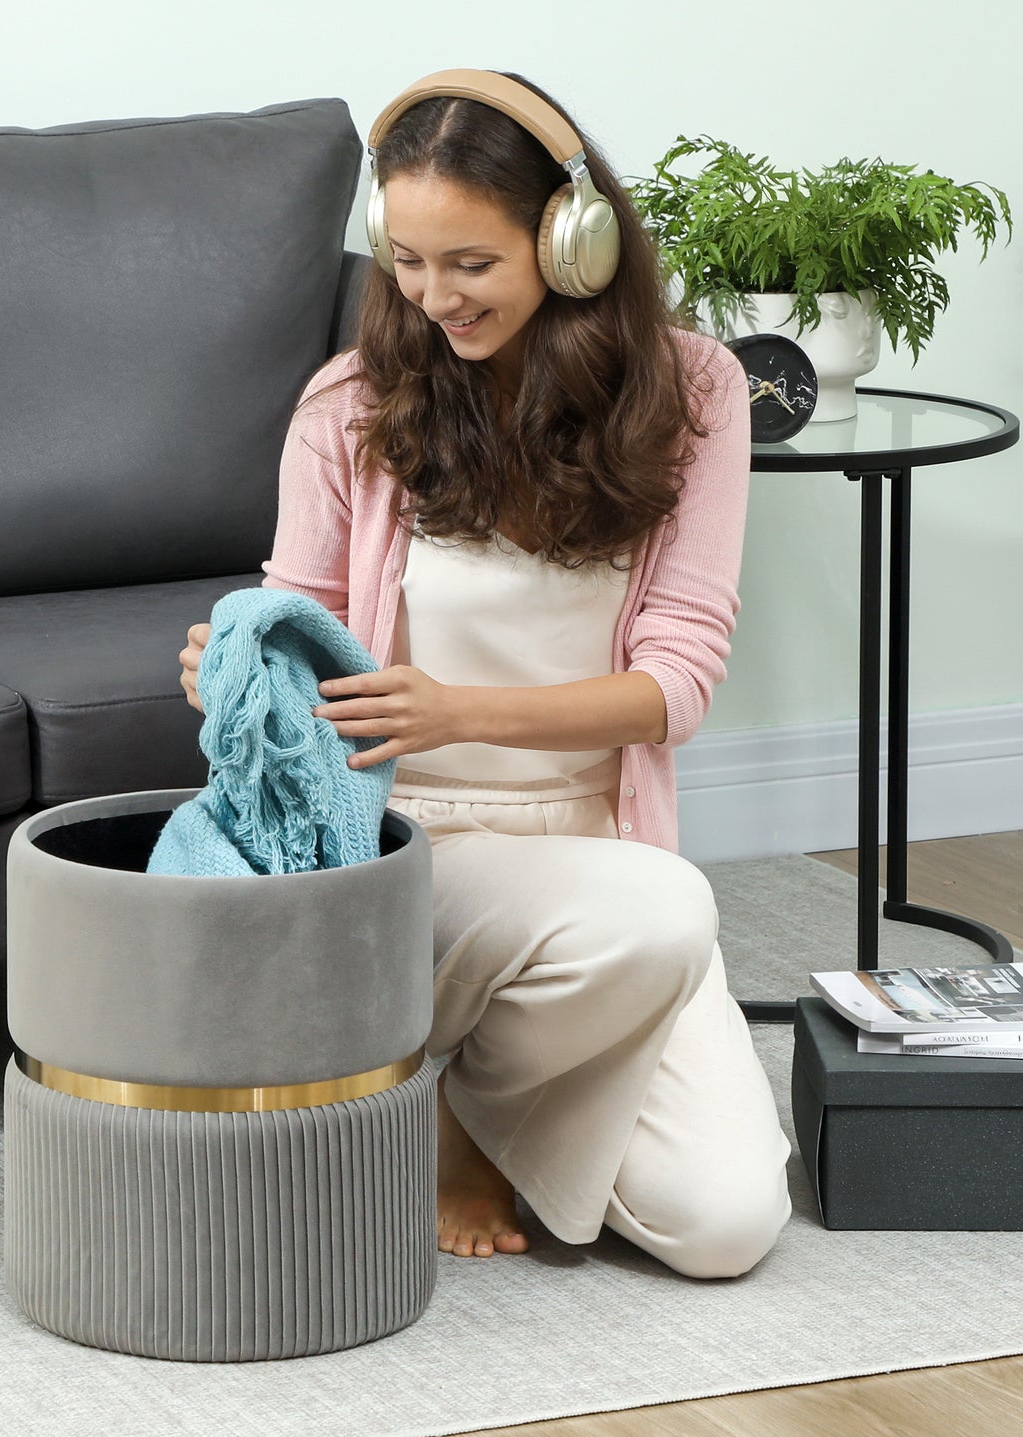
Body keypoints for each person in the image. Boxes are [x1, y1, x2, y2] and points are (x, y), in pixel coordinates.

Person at [180, 69, 791, 1279]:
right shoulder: (351, 405)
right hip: (405, 852)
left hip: (600, 869)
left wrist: (460, 708)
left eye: (469, 262)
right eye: (406, 260)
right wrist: (236, 670)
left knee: (722, 1222)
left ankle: (462, 1091)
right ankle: (451, 1119)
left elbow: (677, 682)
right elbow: (304, 630)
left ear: (570, 241)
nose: (431, 295)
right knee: (664, 914)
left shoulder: (698, 394)